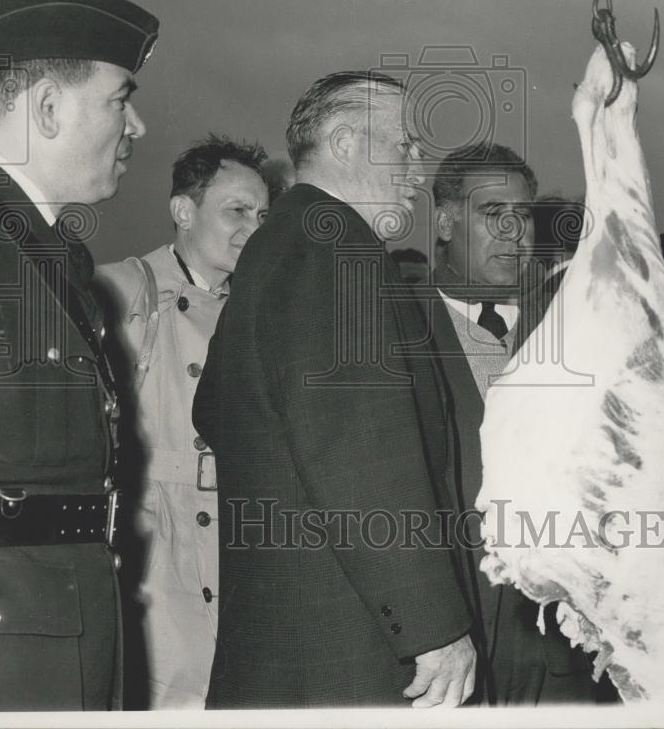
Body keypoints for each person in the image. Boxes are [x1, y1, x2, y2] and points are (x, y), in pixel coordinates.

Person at [192, 70, 476, 708]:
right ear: (345, 143)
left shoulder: (276, 247)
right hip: (349, 651)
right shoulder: (339, 252)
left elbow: (213, 408)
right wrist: (433, 629)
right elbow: (362, 459)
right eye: (403, 145)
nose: (418, 165)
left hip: (287, 638)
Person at [0, 0, 158, 711]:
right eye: (118, 98)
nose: (135, 125)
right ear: (45, 107)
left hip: (53, 624)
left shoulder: (43, 251)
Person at [92, 134, 269, 709]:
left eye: (263, 214)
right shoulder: (116, 292)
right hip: (154, 539)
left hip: (241, 535)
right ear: (183, 211)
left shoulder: (263, 310)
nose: (254, 226)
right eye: (237, 210)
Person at [430, 144, 610, 704]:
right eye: (492, 215)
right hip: (444, 650)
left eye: (522, 217)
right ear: (443, 220)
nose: (513, 233)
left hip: (558, 655)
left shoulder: (576, 333)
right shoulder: (393, 334)